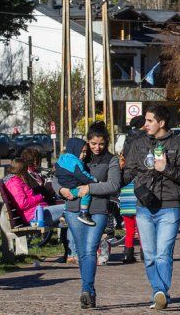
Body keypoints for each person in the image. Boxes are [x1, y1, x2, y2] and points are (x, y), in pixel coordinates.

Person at [124, 105, 180, 310]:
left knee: (163, 253)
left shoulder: (179, 145)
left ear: (161, 123)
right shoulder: (138, 144)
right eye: (145, 120)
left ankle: (160, 292)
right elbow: (128, 172)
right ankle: (159, 292)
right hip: (144, 207)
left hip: (169, 207)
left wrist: (167, 169)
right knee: (150, 255)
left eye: (150, 121)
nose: (145, 125)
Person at [52, 123, 121, 309]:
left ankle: (86, 288)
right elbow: (56, 177)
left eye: (101, 143)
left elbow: (113, 185)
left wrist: (90, 188)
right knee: (82, 251)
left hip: (98, 208)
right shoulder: (78, 154)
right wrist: (62, 190)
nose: (96, 147)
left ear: (106, 142)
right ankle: (90, 293)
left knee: (90, 249)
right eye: (93, 143)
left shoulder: (111, 160)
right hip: (74, 208)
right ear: (87, 142)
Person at [119, 115, 146, 264]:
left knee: (129, 226)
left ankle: (127, 254)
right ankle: (144, 252)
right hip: (138, 185)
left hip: (126, 185)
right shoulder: (143, 140)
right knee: (142, 225)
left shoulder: (127, 138)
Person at [55, 138, 98, 226]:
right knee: (86, 192)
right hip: (73, 186)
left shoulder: (63, 158)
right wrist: (94, 181)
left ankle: (64, 213)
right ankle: (83, 213)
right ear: (75, 149)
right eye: (82, 151)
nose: (84, 155)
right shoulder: (75, 162)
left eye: (85, 152)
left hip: (65, 184)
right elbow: (82, 175)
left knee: (68, 197)